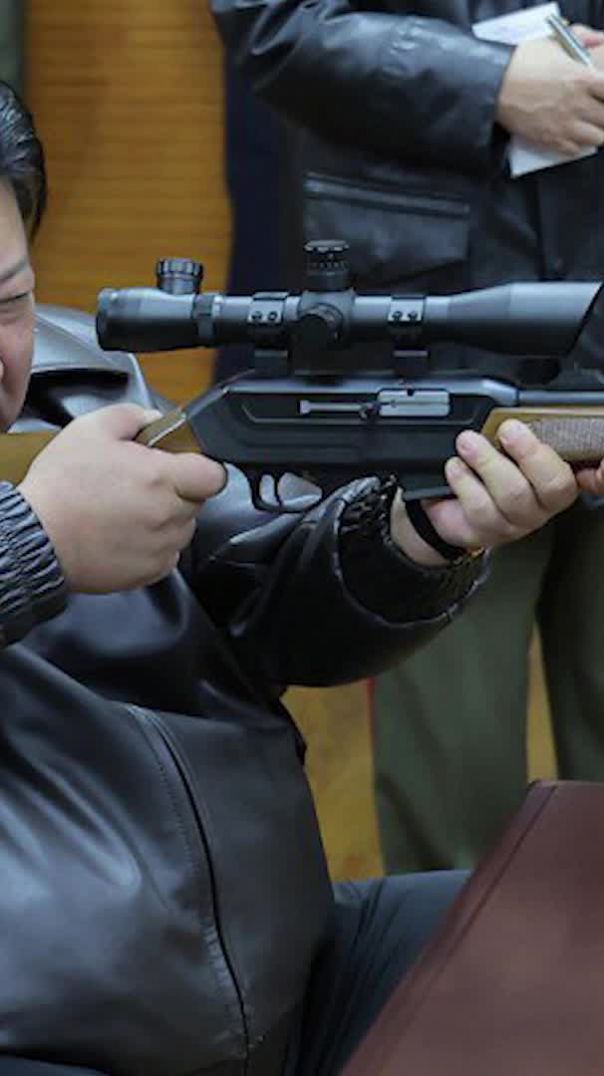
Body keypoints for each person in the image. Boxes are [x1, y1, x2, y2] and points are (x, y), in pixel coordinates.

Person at [0, 81, 599, 1076]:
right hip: (52, 1043)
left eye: (8, 299)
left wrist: (418, 535)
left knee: (580, 918)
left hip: (297, 969)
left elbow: (272, 619)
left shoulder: (82, 382)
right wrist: (35, 539)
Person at [211, 0, 604, 872]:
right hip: (429, 307)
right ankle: (460, 964)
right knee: (453, 777)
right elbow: (272, 21)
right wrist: (488, 82)